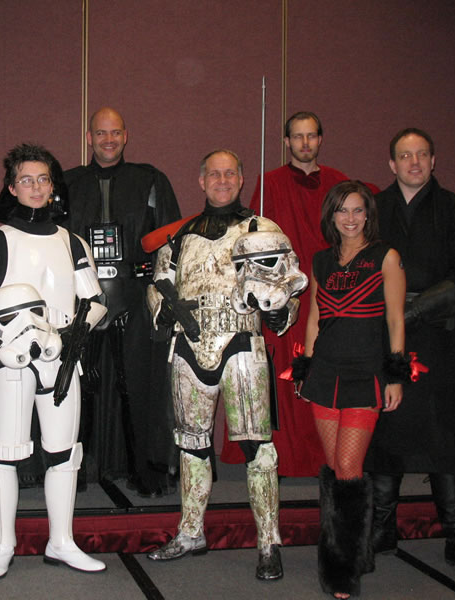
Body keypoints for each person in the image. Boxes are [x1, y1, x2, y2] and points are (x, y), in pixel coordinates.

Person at [144, 150, 308, 580]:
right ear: (201, 181)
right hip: (188, 346)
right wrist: (163, 308)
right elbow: (159, 284)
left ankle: (269, 542)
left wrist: (281, 311)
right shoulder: (179, 236)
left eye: (229, 173)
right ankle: (190, 532)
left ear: (241, 178)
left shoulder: (263, 231)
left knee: (258, 447)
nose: (222, 180)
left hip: (242, 345)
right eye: (214, 174)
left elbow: (288, 287)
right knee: (191, 444)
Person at [0, 143, 108, 579]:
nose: (36, 187)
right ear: (11, 187)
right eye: (26, 179)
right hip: (13, 360)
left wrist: (73, 336)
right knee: (5, 454)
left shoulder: (72, 242)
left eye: (43, 179)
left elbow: (95, 300)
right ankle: (2, 543)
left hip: (63, 357)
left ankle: (61, 540)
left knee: (64, 453)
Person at [365, 128, 455, 578]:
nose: (414, 162)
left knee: (444, 439)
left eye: (422, 154)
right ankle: (382, 530)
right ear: (391, 164)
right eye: (405, 155)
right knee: (386, 432)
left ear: (434, 160)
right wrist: (391, 315)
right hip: (386, 337)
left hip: (440, 337)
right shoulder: (374, 210)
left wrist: (415, 311)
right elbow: (358, 264)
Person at [293, 181, 406, 598]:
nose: (351, 218)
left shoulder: (385, 257)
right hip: (325, 372)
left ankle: (343, 570)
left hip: (365, 373)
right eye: (343, 210)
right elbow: (314, 319)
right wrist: (305, 368)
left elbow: (395, 320)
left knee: (348, 468)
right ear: (332, 216)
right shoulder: (321, 261)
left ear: (368, 214)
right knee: (334, 469)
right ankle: (350, 552)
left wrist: (396, 375)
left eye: (358, 210)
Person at [222, 112, 350, 477]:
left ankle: (326, 455)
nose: (305, 143)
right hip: (284, 293)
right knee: (282, 372)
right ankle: (281, 456)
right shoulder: (271, 183)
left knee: (326, 369)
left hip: (330, 293)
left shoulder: (339, 182)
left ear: (320, 139)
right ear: (286, 142)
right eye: (297, 136)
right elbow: (257, 240)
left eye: (311, 136)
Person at [62, 107, 181, 496]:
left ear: (126, 135)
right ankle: (72, 471)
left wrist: (164, 297)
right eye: (101, 133)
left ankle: (145, 470)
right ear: (89, 137)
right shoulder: (67, 183)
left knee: (139, 386)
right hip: (81, 297)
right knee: (78, 385)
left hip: (135, 295)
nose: (108, 140)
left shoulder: (149, 180)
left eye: (115, 132)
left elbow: (171, 243)